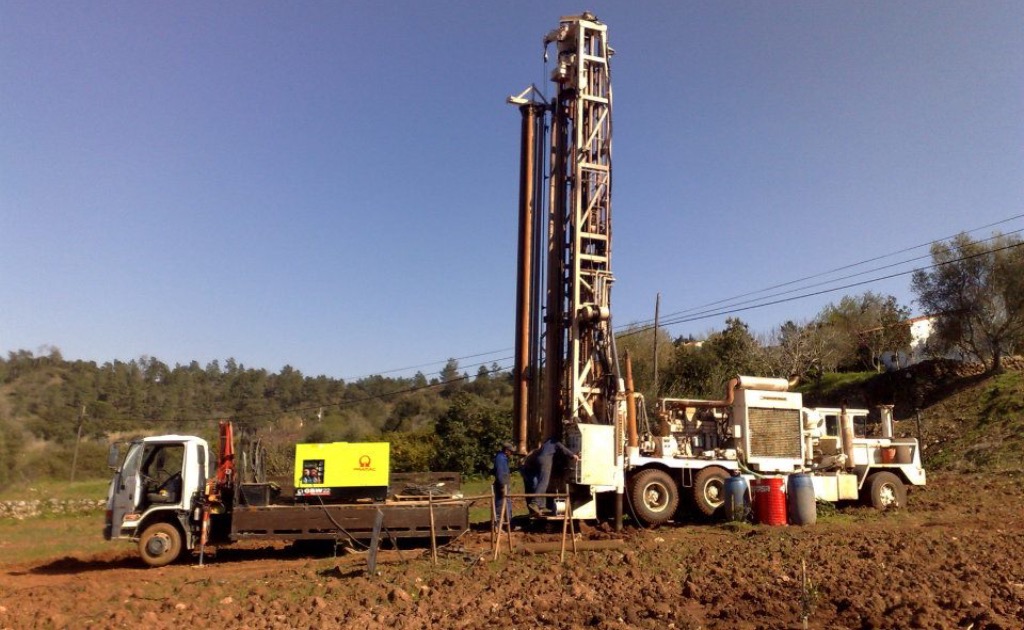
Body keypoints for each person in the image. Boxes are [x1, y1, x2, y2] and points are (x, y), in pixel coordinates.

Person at [534, 437, 579, 514]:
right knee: (544, 483)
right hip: (546, 460)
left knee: (541, 482)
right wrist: (573, 456)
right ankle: (535, 502)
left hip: (540, 459)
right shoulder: (555, 441)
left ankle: (540, 506)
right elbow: (563, 449)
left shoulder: (547, 442)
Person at [492, 442, 514, 525]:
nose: (511, 453)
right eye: (511, 451)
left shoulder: (502, 458)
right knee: (500, 504)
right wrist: (502, 486)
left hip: (504, 484)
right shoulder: (500, 459)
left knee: (506, 503)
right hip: (502, 485)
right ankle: (498, 525)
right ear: (506, 451)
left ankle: (508, 523)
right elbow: (500, 473)